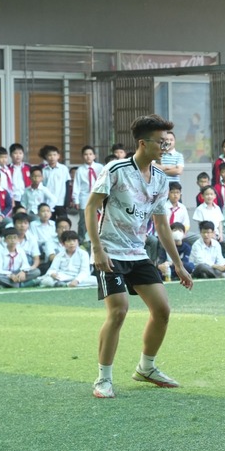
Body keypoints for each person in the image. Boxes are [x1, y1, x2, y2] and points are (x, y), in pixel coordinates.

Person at [84, 114, 193, 400]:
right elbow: (91, 207)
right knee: (119, 310)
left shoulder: (161, 179)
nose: (166, 148)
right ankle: (103, 378)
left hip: (137, 252)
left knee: (162, 310)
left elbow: (162, 225)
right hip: (109, 252)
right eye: (161, 142)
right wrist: (97, 248)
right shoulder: (115, 169)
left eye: (168, 142)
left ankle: (146, 368)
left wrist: (178, 264)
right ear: (143, 143)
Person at [191, 185, 225, 260]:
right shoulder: (200, 209)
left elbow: (220, 222)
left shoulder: (217, 208)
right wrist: (211, 234)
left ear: (215, 196)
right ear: (202, 196)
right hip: (206, 233)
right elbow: (201, 225)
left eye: (211, 194)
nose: (209, 196)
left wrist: (221, 234)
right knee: (214, 243)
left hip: (218, 233)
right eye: (207, 194)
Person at [72, 146, 105, 239]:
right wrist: (76, 200)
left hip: (98, 196)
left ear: (94, 156)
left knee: (101, 218)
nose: (88, 156)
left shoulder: (100, 167)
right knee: (83, 220)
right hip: (84, 197)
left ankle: (100, 239)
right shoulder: (80, 170)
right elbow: (76, 186)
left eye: (90, 154)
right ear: (82, 156)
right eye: (86, 154)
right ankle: (81, 239)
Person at [12, 212, 42, 278]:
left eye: (25, 223)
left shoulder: (32, 238)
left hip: (27, 269)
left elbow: (36, 259)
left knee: (37, 272)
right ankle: (24, 282)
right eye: (19, 223)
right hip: (11, 267)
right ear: (14, 225)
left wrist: (28, 270)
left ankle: (15, 281)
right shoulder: (8, 237)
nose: (22, 225)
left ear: (28, 225)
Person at [41, 145, 71, 212]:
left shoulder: (63, 169)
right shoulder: (44, 170)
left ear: (58, 156)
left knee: (63, 218)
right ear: (46, 157)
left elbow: (67, 185)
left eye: (54, 155)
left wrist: (67, 201)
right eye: (49, 155)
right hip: (48, 202)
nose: (52, 157)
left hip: (61, 201)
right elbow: (42, 187)